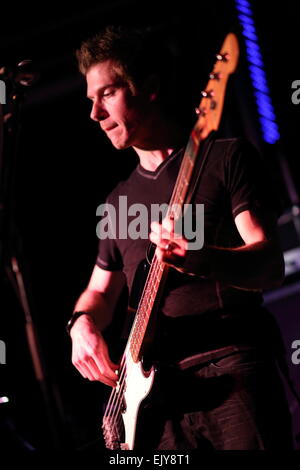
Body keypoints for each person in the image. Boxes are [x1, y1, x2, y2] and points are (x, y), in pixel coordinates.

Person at [68, 25, 293, 450]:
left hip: (231, 369)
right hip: (154, 400)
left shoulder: (226, 158)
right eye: (90, 100)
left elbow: (270, 264)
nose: (94, 114)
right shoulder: (116, 201)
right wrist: (81, 324)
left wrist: (202, 259)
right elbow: (98, 291)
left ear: (148, 87)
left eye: (107, 94)